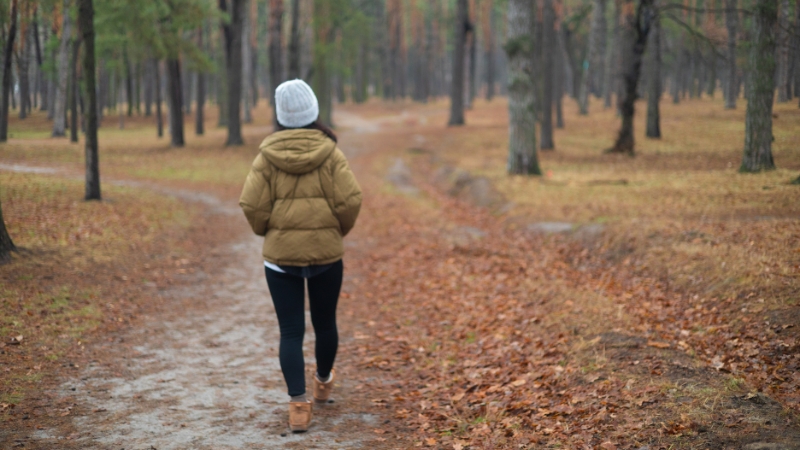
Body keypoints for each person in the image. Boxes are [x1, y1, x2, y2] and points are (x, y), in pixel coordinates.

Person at [239, 79, 362, 432]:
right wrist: (336, 231)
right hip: (327, 256)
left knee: (291, 331)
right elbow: (350, 201)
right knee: (325, 324)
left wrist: (269, 232)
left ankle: (298, 407)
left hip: (281, 260)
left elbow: (252, 204)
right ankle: (323, 383)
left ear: (280, 116)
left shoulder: (267, 157)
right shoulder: (330, 152)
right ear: (314, 111)